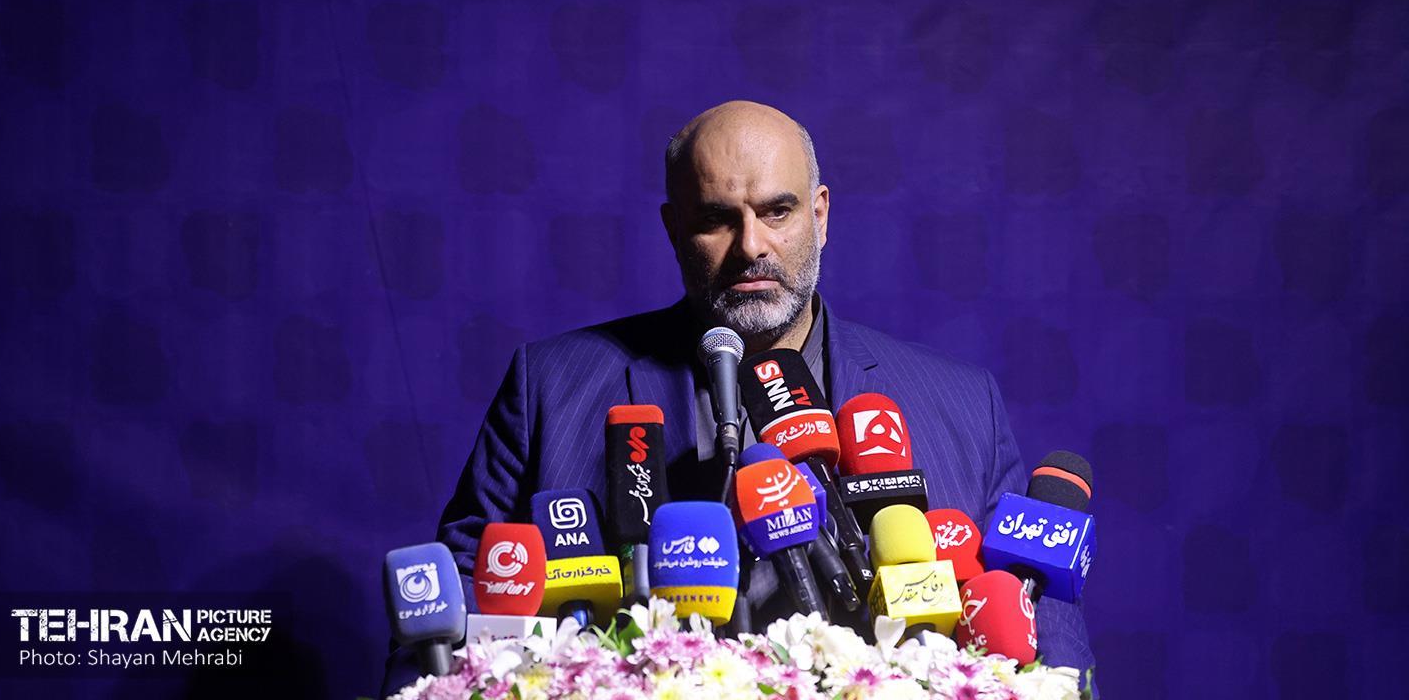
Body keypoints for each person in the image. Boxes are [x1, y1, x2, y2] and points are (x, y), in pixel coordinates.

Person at [382, 101, 1094, 695]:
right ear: (673, 229)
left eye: (777, 211)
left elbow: (1048, 656)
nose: (751, 245)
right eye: (718, 218)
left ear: (821, 215)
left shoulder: (962, 405)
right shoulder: (550, 386)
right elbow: (444, 632)